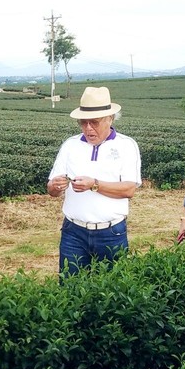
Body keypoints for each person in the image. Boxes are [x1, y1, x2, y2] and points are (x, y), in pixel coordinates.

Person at [47, 86, 142, 276]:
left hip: (111, 233)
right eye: (83, 123)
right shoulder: (70, 145)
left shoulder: (126, 146)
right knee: (70, 287)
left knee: (111, 292)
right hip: (73, 232)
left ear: (110, 119)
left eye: (94, 122)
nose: (88, 128)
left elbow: (128, 189)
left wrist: (94, 185)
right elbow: (51, 189)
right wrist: (55, 186)